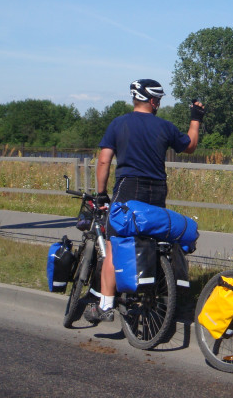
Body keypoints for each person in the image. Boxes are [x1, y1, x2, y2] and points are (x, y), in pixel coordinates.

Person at [84, 78, 204, 323]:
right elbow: (190, 145)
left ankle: (105, 305)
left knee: (114, 245)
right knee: (150, 238)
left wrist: (101, 193)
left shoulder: (118, 124)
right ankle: (156, 291)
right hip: (157, 189)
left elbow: (104, 160)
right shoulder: (164, 127)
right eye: (158, 100)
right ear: (152, 101)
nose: (158, 104)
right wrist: (196, 118)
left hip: (128, 187)